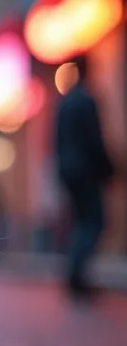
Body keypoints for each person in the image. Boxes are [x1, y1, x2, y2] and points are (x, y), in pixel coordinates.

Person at [55, 56, 114, 299]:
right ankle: (77, 277)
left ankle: (76, 276)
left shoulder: (65, 103)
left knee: (82, 222)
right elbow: (94, 140)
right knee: (93, 222)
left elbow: (56, 142)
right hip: (86, 171)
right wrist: (108, 169)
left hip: (68, 171)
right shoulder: (86, 101)